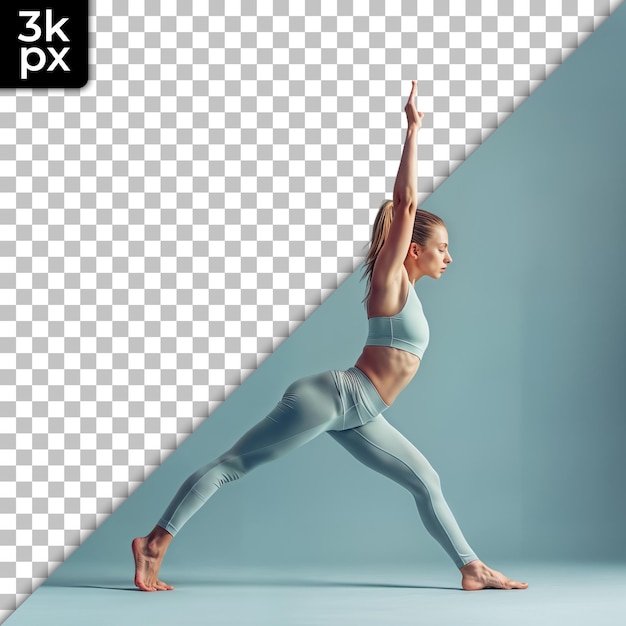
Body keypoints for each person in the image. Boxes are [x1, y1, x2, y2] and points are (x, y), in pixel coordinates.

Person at [132, 81, 528, 592]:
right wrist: (412, 130)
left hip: (360, 411)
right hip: (336, 398)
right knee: (232, 465)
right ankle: (154, 544)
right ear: (413, 250)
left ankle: (472, 568)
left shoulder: (405, 287)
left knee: (425, 481)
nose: (448, 257)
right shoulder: (390, 281)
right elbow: (405, 204)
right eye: (442, 248)